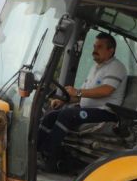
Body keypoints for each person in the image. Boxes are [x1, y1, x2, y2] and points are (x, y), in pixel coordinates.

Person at [38, 32, 127, 172]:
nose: (94, 50)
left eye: (100, 47)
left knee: (68, 115)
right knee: (50, 116)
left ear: (111, 50)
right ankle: (36, 151)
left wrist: (78, 92)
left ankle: (49, 156)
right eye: (94, 46)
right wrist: (64, 100)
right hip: (88, 110)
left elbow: (106, 90)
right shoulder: (95, 68)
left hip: (106, 112)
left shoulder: (116, 67)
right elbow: (82, 95)